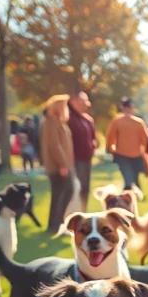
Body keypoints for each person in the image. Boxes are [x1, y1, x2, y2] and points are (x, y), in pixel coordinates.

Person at [41, 94, 75, 234]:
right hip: (58, 166)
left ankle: (55, 225)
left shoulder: (58, 122)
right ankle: (57, 224)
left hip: (63, 165)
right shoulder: (52, 122)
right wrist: (63, 165)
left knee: (59, 194)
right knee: (65, 192)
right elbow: (54, 145)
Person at [106, 97, 148, 191]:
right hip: (135, 154)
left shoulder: (117, 121)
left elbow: (110, 138)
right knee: (130, 178)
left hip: (122, 154)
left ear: (122, 107)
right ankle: (129, 196)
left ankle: (129, 195)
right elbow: (145, 140)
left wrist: (111, 150)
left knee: (130, 178)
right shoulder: (139, 122)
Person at [68, 91, 97, 208]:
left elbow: (93, 137)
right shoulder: (68, 118)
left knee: (85, 187)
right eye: (83, 102)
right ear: (74, 101)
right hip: (73, 159)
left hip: (86, 159)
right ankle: (73, 212)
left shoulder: (88, 120)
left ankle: (83, 210)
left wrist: (93, 144)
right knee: (75, 188)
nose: (86, 105)